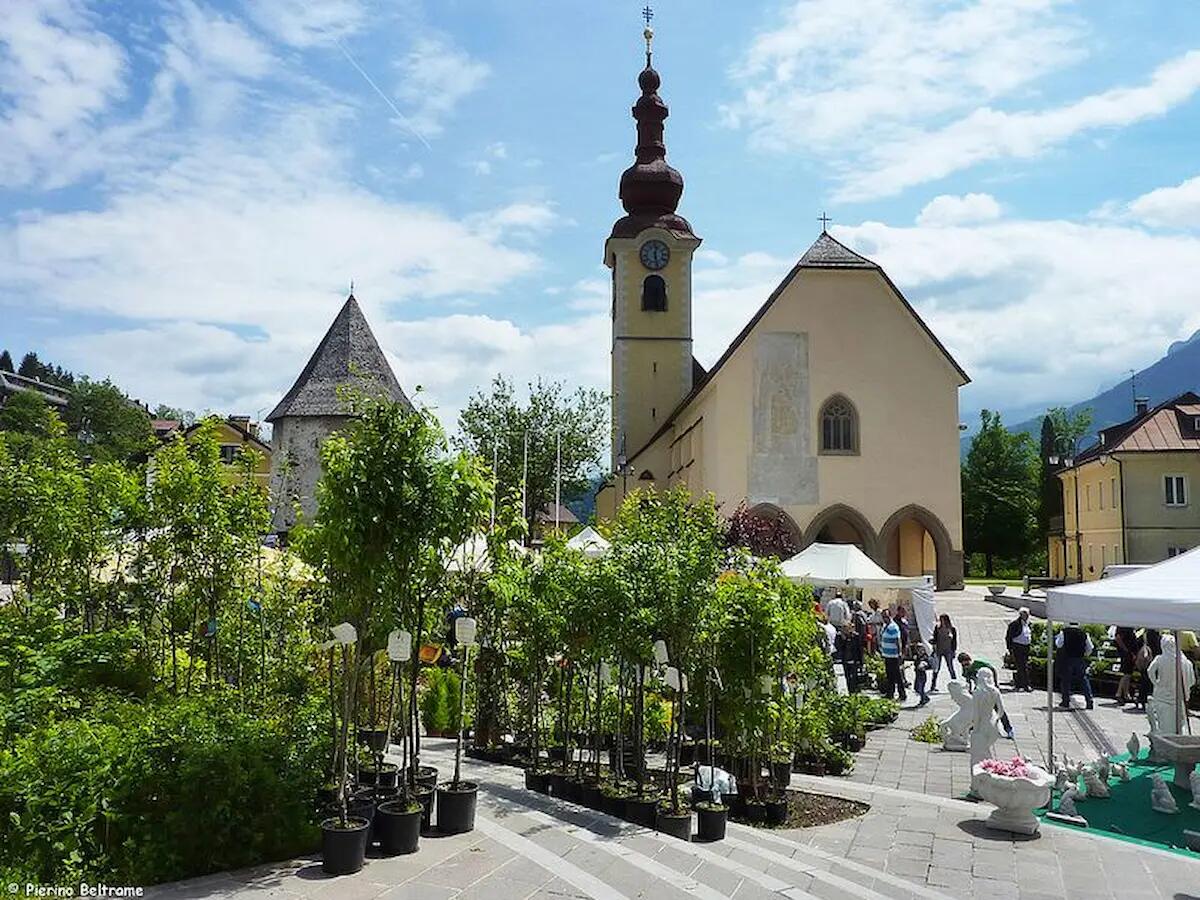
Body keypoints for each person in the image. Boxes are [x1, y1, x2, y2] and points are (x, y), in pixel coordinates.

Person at [957, 652, 1015, 738]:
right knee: (976, 710)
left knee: (998, 709)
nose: (966, 666)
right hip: (980, 691)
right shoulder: (965, 669)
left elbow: (993, 669)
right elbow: (968, 680)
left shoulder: (978, 664)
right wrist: (970, 691)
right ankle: (973, 727)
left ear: (970, 660)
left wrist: (995, 683)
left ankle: (1008, 729)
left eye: (967, 664)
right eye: (964, 665)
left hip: (990, 690)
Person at [1055, 623, 1094, 710]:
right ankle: (1089, 700)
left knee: (1066, 680)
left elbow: (1059, 644)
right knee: (1083, 679)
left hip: (1067, 658)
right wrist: (1084, 654)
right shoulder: (1084, 633)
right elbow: (1090, 647)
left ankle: (1065, 701)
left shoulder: (1064, 632)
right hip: (1079, 658)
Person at [879, 611, 906, 701]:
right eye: (883, 617)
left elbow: (898, 641)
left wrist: (900, 653)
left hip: (894, 655)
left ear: (889, 616)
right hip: (887, 655)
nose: (884, 618)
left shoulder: (893, 626)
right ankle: (890, 693)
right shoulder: (885, 626)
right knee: (889, 675)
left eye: (886, 616)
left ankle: (902, 694)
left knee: (897, 675)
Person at [1005, 607, 1033, 692]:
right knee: (1022, 666)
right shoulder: (1015, 624)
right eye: (1025, 614)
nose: (1027, 616)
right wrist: (1010, 649)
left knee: (1024, 666)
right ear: (1021, 615)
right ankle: (1025, 685)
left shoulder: (1028, 624)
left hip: (1026, 647)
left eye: (1028, 614)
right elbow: (1008, 637)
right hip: (1018, 647)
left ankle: (1020, 684)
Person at [1114, 626, 1142, 705]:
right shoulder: (1123, 626)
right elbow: (1118, 638)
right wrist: (1126, 650)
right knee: (1126, 674)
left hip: (1129, 653)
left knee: (1129, 674)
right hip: (1127, 653)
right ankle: (1119, 693)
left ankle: (1126, 694)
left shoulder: (1127, 626)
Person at [930, 614, 957, 691]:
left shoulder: (952, 629)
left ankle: (955, 683)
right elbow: (935, 638)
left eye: (943, 620)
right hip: (939, 650)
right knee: (936, 668)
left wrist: (954, 651)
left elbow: (954, 641)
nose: (941, 622)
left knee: (950, 667)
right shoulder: (937, 628)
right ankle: (933, 685)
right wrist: (932, 642)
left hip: (948, 650)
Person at [836, 623, 864, 694]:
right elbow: (838, 647)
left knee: (854, 677)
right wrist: (844, 640)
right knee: (847, 677)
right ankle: (849, 691)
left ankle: (854, 691)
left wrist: (861, 662)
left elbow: (859, 649)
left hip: (854, 660)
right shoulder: (840, 636)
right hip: (845, 660)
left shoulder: (855, 636)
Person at [911, 641, 931, 706]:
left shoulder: (924, 657)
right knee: (916, 688)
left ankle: (922, 700)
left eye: (920, 648)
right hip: (917, 674)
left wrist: (923, 665)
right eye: (918, 648)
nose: (919, 650)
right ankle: (925, 697)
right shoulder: (916, 655)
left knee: (920, 688)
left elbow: (928, 665)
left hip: (922, 675)